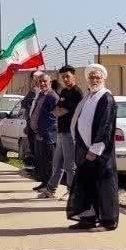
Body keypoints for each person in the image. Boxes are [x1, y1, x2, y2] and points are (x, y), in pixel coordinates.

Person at [66, 64, 119, 231]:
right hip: (84, 148)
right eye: (92, 77)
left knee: (103, 186)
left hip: (99, 152)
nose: (94, 80)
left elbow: (106, 126)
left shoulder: (106, 97)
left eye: (98, 78)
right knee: (85, 184)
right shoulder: (89, 96)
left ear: (103, 79)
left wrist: (95, 149)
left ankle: (108, 221)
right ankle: (88, 218)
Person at [40, 66, 83, 199]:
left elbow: (63, 111)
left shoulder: (77, 93)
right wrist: (60, 110)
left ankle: (72, 192)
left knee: (70, 165)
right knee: (57, 163)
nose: (65, 79)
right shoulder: (64, 91)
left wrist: (60, 110)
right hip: (61, 131)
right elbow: (58, 109)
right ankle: (51, 189)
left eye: (67, 76)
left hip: (70, 133)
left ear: (73, 76)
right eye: (63, 77)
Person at [29, 74, 59, 193]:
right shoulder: (41, 94)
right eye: (40, 81)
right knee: (42, 160)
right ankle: (44, 182)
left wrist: (45, 129)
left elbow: (55, 116)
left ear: (50, 82)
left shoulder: (53, 97)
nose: (42, 84)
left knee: (49, 161)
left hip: (48, 134)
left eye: (45, 81)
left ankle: (50, 186)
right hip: (38, 133)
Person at [20, 72, 41, 173]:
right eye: (35, 78)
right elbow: (23, 103)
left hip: (38, 124)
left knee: (37, 147)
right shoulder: (33, 90)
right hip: (31, 122)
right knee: (32, 146)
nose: (36, 80)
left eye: (38, 78)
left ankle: (38, 169)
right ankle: (34, 168)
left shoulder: (39, 91)